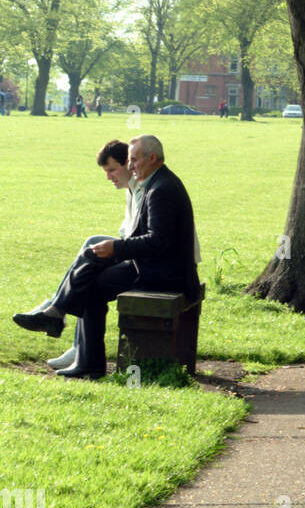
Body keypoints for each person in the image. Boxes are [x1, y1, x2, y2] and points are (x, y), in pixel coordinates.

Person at [14, 134, 199, 379]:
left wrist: (116, 249)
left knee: (93, 284)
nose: (130, 166)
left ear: (152, 158)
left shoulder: (161, 189)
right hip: (155, 267)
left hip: (164, 274)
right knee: (93, 258)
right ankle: (61, 323)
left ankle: (68, 332)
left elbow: (158, 242)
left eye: (133, 160)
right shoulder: (156, 183)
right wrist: (114, 249)